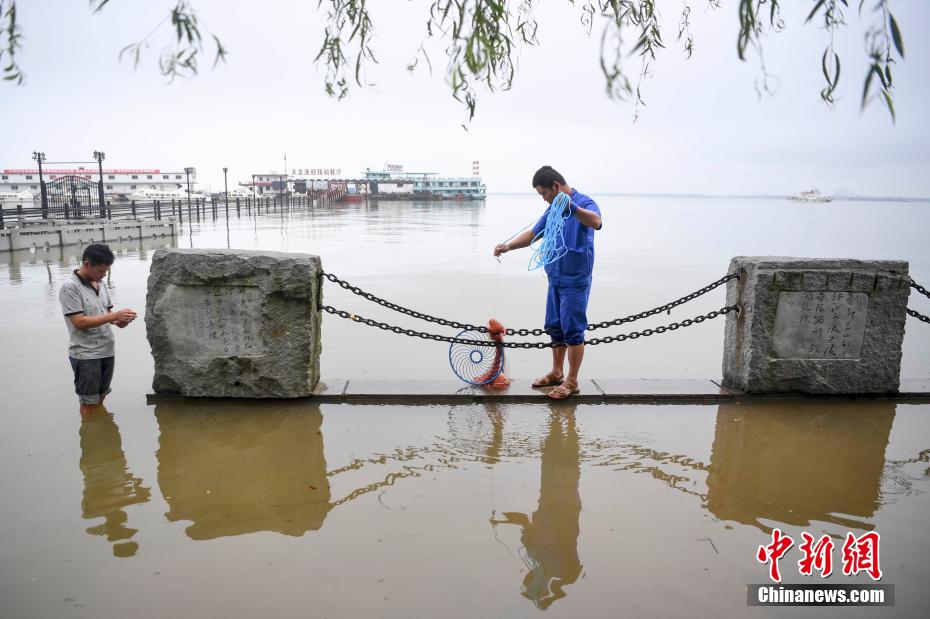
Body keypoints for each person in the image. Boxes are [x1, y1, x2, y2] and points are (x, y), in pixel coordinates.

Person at [493, 166, 602, 400]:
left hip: (576, 279)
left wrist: (572, 208)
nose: (544, 200)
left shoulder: (584, 202)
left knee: (573, 331)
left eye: (544, 194)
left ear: (555, 186)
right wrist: (508, 246)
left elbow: (596, 222)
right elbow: (534, 233)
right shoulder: (553, 209)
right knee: (555, 327)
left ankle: (572, 381)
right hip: (556, 277)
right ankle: (556, 372)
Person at [59, 244, 137, 419]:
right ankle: (91, 438)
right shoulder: (70, 287)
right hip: (86, 354)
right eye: (101, 271)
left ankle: (101, 434)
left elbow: (107, 314)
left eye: (107, 271)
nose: (104, 275)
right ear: (87, 264)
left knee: (101, 396)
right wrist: (113, 316)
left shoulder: (101, 284)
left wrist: (119, 321)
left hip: (106, 350)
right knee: (88, 402)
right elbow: (78, 322)